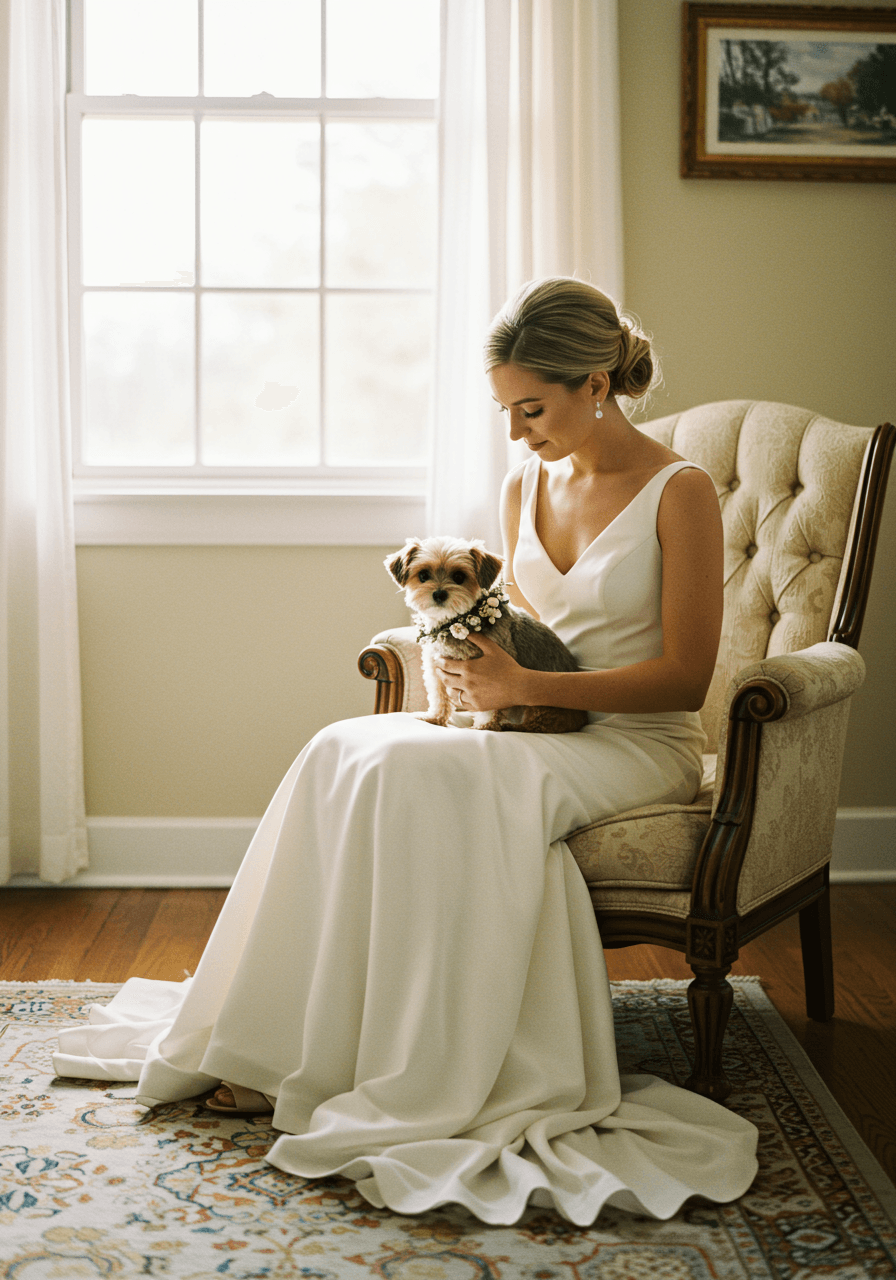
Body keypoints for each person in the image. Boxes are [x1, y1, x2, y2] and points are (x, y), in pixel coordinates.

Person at [54, 278, 757, 1226]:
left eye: (532, 409)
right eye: (505, 411)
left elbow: (684, 680)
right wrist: (480, 680)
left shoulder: (681, 491)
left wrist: (524, 688)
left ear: (595, 384)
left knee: (428, 772)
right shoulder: (524, 484)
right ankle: (291, 1043)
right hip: (524, 721)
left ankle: (423, 1068)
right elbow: (512, 626)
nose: (516, 433)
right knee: (343, 748)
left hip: (634, 741)